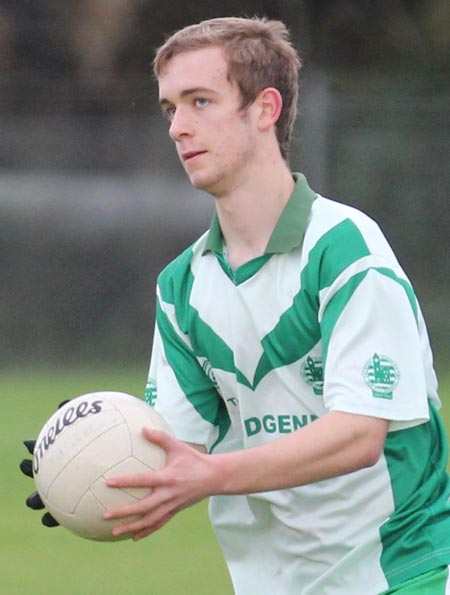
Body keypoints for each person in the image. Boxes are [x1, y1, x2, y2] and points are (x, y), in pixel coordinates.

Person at [22, 16, 450, 594]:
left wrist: (211, 475)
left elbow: (359, 433)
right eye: (170, 108)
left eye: (201, 101)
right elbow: (178, 451)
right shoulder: (182, 286)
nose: (178, 127)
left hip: (402, 574)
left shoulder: (344, 249)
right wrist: (95, 452)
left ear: (265, 109)